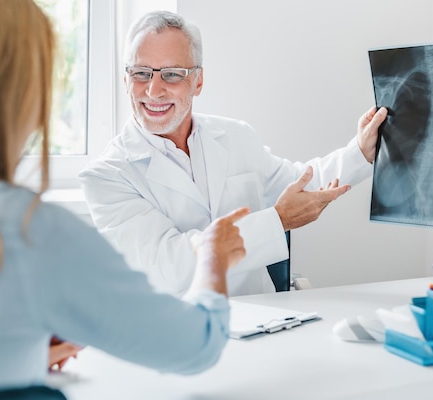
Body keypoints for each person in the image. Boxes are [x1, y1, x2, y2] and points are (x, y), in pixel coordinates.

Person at [0, 0, 247, 398]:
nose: (155, 88)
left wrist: (10, 348)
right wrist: (213, 257)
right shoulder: (34, 233)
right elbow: (196, 345)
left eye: (171, 73)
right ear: (27, 97)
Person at [79, 10, 388, 297]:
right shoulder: (106, 177)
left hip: (262, 320)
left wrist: (360, 151)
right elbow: (169, 269)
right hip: (177, 336)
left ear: (198, 80)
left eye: (172, 74)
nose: (153, 90)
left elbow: (302, 184)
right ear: (125, 79)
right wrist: (275, 222)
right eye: (141, 73)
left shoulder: (236, 136)